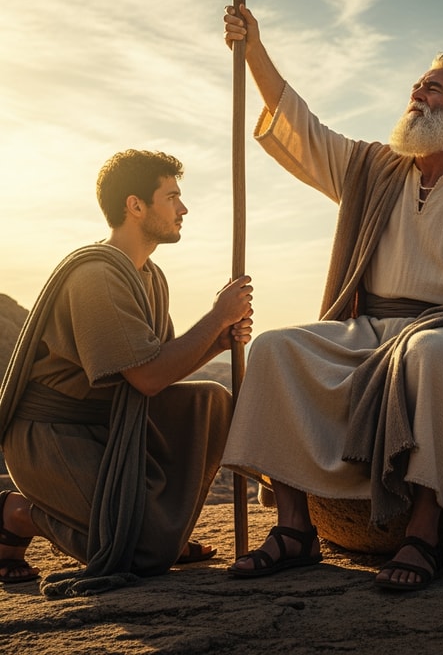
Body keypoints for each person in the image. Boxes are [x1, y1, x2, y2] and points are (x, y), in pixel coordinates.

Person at [220, 5, 443, 590]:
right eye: (416, 86)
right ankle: (296, 529)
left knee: (430, 353)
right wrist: (253, 50)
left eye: (432, 87)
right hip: (368, 328)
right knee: (275, 349)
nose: (416, 93)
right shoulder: (374, 167)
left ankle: (423, 532)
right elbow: (301, 125)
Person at [0, 149, 253, 596]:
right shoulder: (97, 275)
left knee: (210, 401)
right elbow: (148, 378)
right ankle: (18, 515)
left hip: (110, 426)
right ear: (135, 205)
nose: (183, 208)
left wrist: (217, 339)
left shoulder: (150, 276)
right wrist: (216, 317)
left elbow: (162, 367)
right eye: (172, 196)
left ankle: (159, 534)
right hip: (54, 434)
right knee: (141, 556)